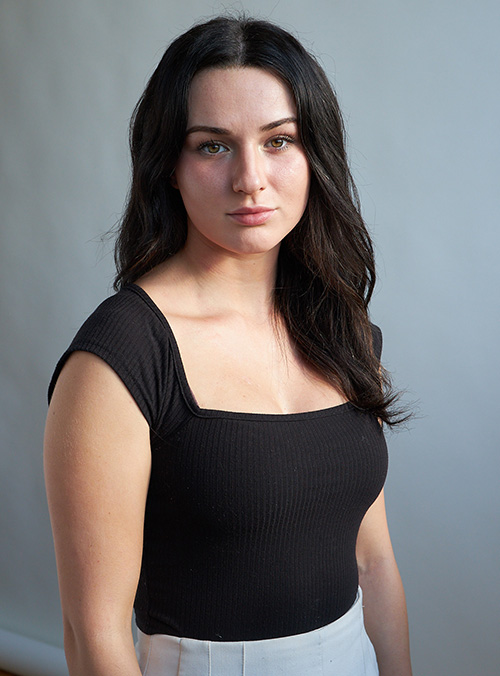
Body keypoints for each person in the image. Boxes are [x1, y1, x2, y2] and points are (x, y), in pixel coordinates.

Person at [44, 15, 412, 676]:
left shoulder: (342, 325)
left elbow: (374, 560)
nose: (250, 177)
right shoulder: (120, 358)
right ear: (169, 166)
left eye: (278, 141)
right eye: (213, 146)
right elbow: (93, 633)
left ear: (313, 155)